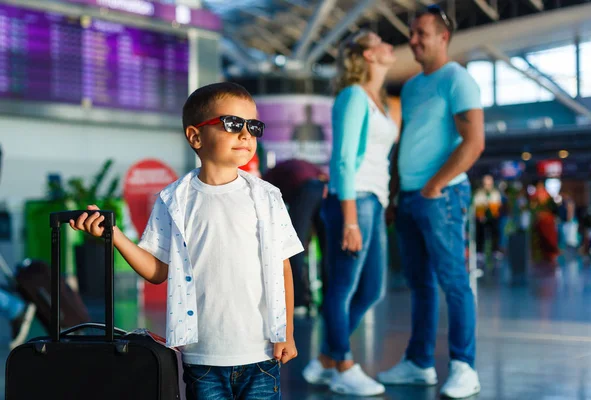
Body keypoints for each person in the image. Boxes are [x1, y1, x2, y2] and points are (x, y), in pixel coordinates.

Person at [70, 82, 304, 400]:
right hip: (202, 357)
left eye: (253, 126)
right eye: (233, 124)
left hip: (261, 354)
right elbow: (157, 270)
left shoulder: (266, 197)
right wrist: (115, 238)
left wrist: (286, 332)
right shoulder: (174, 200)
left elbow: (282, 266)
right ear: (195, 136)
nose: (246, 135)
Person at [377, 5, 484, 399]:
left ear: (444, 36)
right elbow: (407, 142)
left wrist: (434, 187)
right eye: (412, 32)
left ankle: (464, 366)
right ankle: (420, 363)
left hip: (441, 196)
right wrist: (397, 192)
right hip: (409, 197)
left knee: (455, 282)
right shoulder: (411, 85)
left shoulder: (458, 79)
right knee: (420, 285)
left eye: (421, 32)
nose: (414, 39)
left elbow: (474, 143)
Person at [302, 29, 397, 397]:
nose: (391, 45)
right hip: (353, 200)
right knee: (342, 288)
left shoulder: (379, 100)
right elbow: (342, 159)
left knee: (371, 289)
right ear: (368, 55)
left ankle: (325, 358)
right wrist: (351, 218)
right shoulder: (353, 95)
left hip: (373, 200)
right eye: (383, 41)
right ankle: (343, 364)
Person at [263, 159, 328, 314]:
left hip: (304, 190)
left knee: (293, 247)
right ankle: (328, 300)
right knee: (327, 248)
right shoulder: (309, 166)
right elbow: (326, 180)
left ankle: (299, 299)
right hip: (323, 190)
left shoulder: (268, 177)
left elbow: (269, 202)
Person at [473, 174, 503, 259]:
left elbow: (498, 204)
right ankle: (479, 252)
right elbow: (477, 204)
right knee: (480, 234)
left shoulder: (495, 193)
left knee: (495, 233)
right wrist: (480, 214)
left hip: (493, 216)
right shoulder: (479, 192)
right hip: (481, 217)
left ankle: (495, 250)